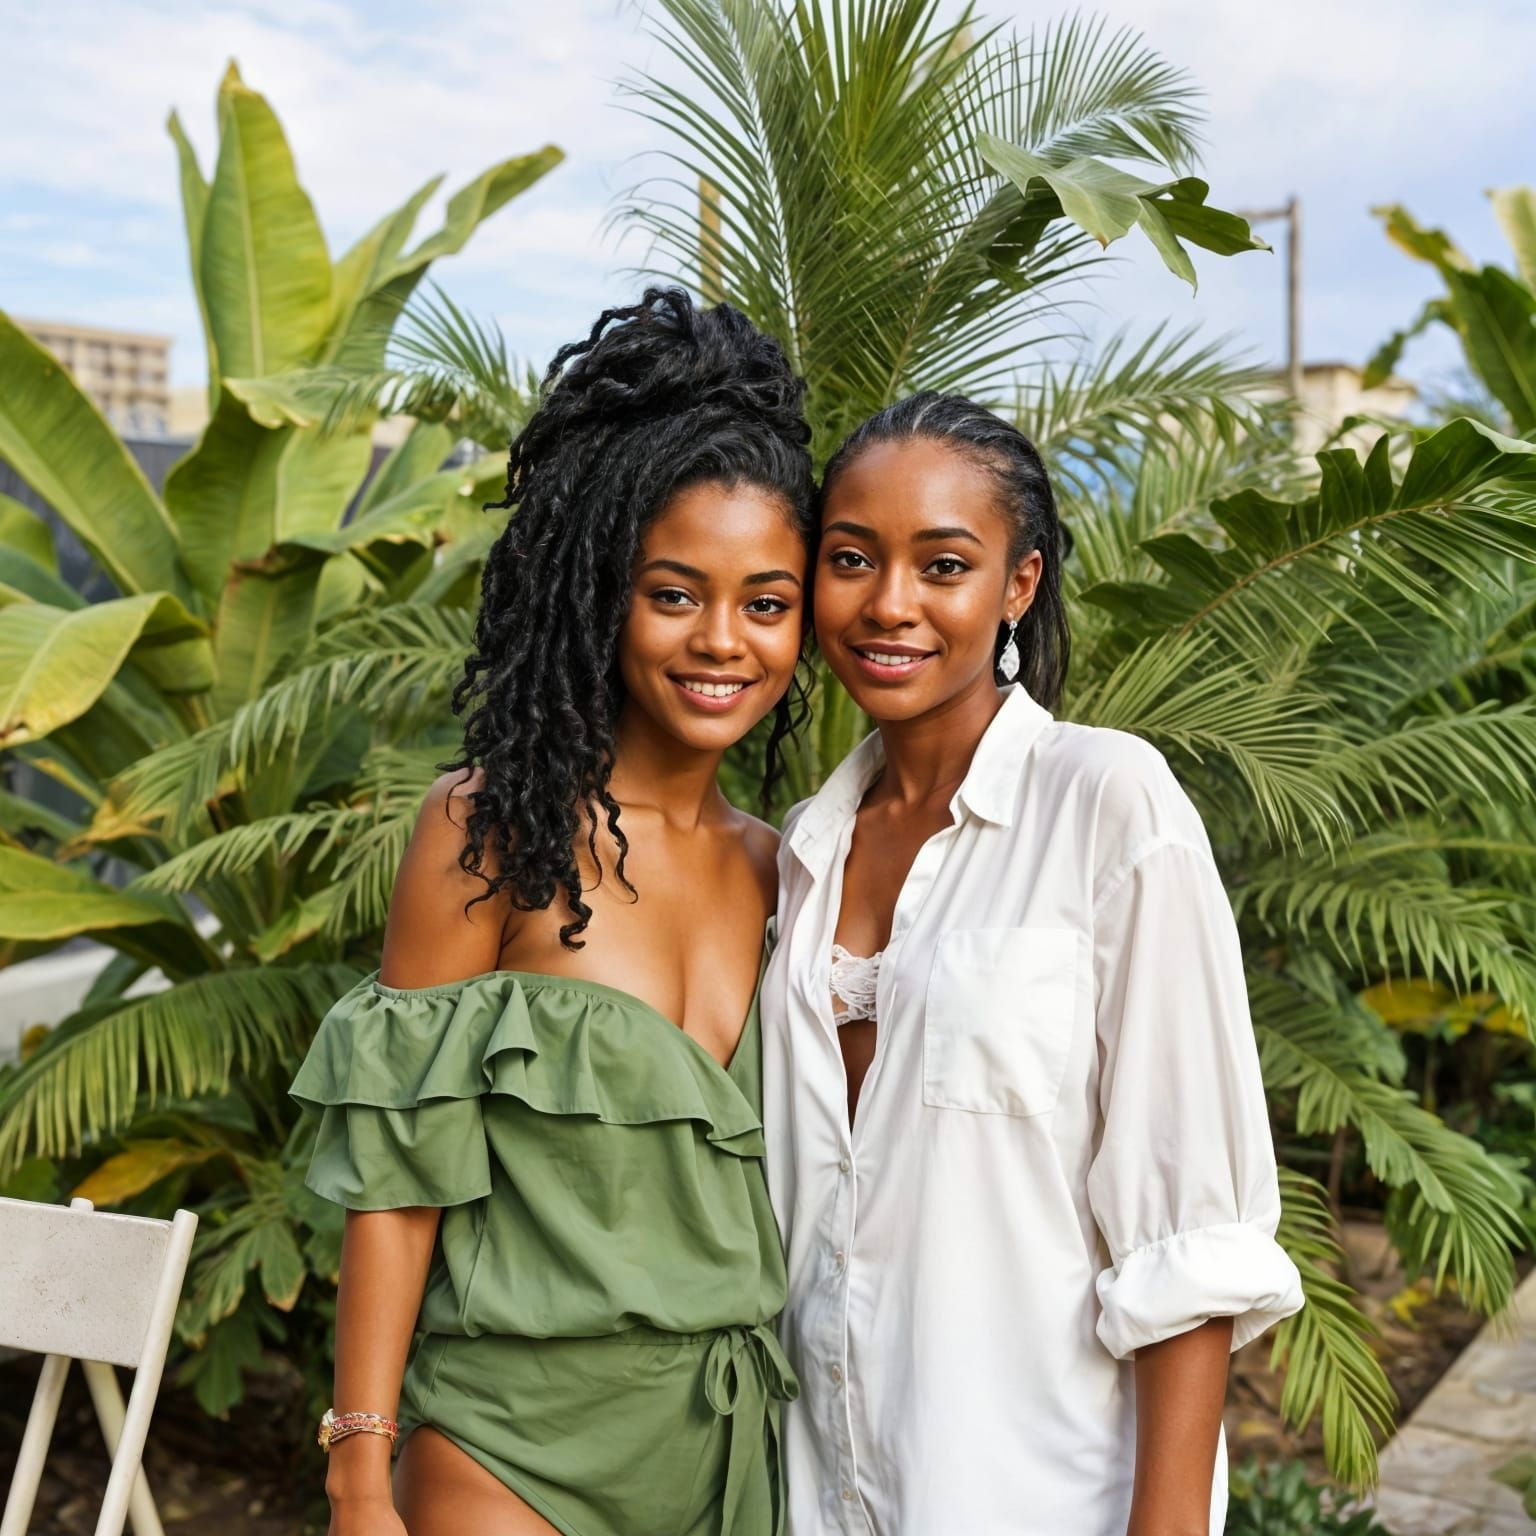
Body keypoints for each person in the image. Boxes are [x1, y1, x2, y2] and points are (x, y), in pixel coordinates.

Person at [290, 288, 815, 1536]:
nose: (723, 642)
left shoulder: (783, 868)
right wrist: (360, 1466)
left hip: (726, 1454)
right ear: (597, 592)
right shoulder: (491, 832)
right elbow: (398, 1181)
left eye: (767, 601)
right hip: (506, 1449)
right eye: (675, 592)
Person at [760, 392, 1305, 1536]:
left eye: (943, 564)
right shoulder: (802, 854)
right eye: (851, 558)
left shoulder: (1109, 805)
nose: (890, 604)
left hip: (1041, 1494)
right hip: (821, 1496)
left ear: (1019, 585)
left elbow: (1190, 1233)